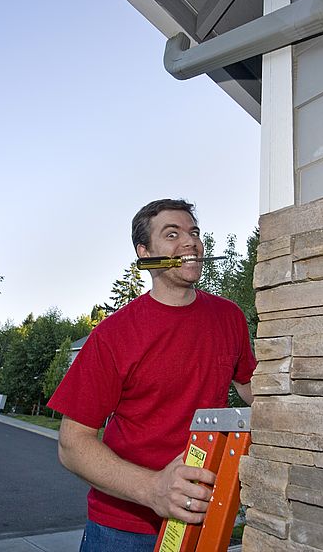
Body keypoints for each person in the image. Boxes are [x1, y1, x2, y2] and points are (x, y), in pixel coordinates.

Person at [47, 198, 257, 552]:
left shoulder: (229, 317)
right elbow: (72, 445)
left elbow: (255, 390)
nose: (190, 242)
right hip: (121, 531)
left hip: (202, 520)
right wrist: (153, 489)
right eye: (172, 234)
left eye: (194, 233)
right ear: (145, 253)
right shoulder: (113, 335)